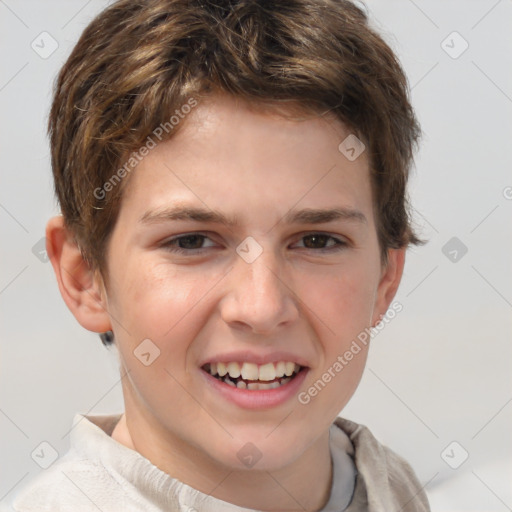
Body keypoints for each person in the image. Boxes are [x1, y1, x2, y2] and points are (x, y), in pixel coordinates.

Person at [10, 0, 430, 510]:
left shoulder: (397, 491)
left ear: (386, 277)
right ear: (85, 278)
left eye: (317, 240)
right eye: (192, 241)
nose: (262, 307)